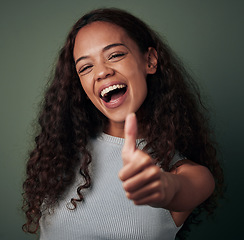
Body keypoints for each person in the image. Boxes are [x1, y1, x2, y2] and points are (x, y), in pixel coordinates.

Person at [22, 8, 224, 240]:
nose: (101, 72)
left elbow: (182, 188)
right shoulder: (59, 158)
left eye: (115, 55)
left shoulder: (188, 173)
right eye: (86, 67)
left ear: (149, 60)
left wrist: (162, 186)